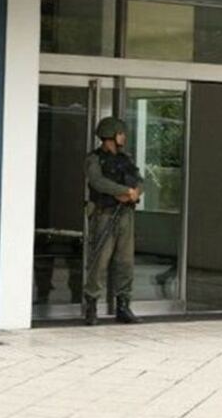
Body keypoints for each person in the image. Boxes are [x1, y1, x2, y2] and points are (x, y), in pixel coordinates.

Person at [83, 117, 143, 326]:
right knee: (99, 262)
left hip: (125, 215)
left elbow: (139, 180)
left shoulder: (126, 159)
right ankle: (91, 306)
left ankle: (123, 306)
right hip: (104, 214)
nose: (123, 137)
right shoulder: (94, 159)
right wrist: (124, 191)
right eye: (121, 133)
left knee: (125, 262)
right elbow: (98, 182)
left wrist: (134, 193)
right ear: (111, 135)